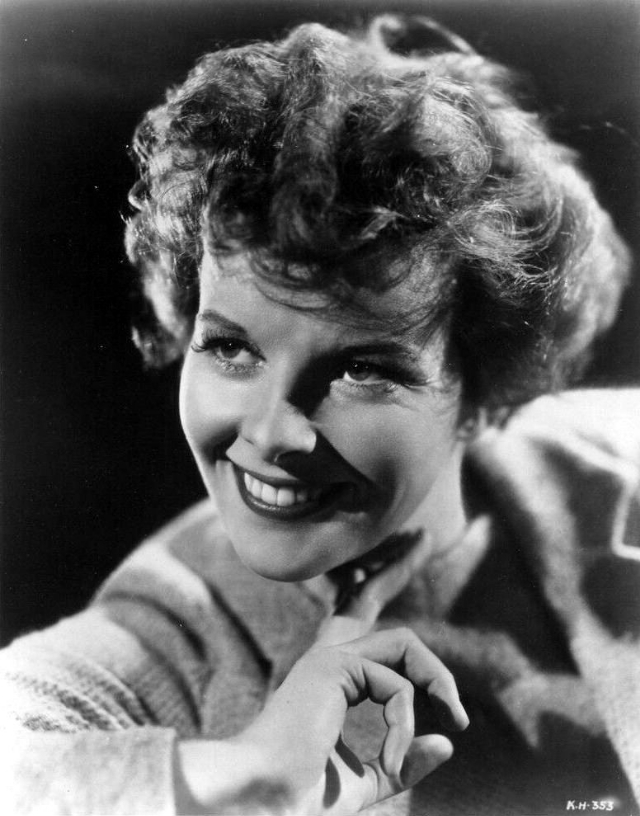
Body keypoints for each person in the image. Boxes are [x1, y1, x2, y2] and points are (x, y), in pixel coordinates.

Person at [2, 13, 639, 816]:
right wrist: (253, 776)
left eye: (362, 369)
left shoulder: (614, 460)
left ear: (483, 393)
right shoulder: (169, 627)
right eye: (230, 347)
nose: (271, 432)